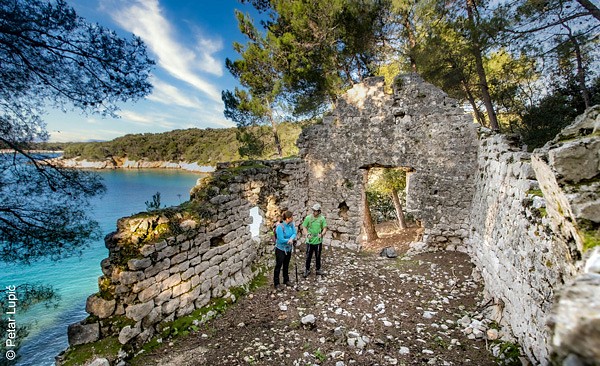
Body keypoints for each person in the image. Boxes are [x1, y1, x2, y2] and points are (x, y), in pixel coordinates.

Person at [302, 203, 327, 277]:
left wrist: (322, 234)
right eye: (313, 210)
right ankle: (307, 269)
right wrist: (307, 234)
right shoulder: (308, 218)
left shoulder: (322, 219)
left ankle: (318, 269)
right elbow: (304, 227)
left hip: (318, 241)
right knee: (308, 255)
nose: (313, 212)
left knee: (318, 256)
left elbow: (325, 228)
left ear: (319, 211)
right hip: (310, 241)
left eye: (315, 211)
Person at [274, 210, 297, 290]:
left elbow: (294, 233)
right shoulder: (280, 227)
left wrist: (291, 238)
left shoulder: (291, 225)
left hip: (288, 249)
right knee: (278, 266)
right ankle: (276, 283)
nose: (292, 219)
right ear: (287, 218)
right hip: (280, 249)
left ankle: (286, 280)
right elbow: (280, 239)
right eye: (291, 218)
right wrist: (289, 240)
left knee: (286, 265)